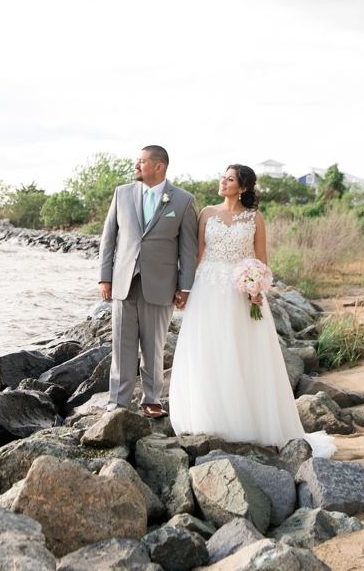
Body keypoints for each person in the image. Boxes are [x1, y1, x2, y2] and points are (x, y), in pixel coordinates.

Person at [168, 164, 335, 457]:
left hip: (241, 292)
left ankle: (249, 421)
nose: (222, 181)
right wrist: (185, 289)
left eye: (229, 179)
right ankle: (210, 417)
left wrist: (258, 287)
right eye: (223, 176)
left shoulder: (255, 218)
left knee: (244, 351)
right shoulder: (206, 213)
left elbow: (261, 259)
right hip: (208, 289)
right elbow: (197, 255)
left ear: (242, 187)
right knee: (209, 349)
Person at [99, 146, 199, 417]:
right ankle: (117, 403)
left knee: (154, 345)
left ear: (159, 167)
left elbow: (188, 249)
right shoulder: (122, 193)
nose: (136, 165)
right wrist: (104, 278)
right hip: (123, 282)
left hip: (161, 284)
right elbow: (109, 238)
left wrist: (185, 287)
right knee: (122, 345)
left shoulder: (183, 200)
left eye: (141, 162)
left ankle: (151, 400)